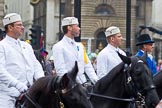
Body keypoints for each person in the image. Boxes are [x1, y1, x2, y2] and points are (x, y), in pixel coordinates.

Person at [0, 13, 44, 108]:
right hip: (7, 95)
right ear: (10, 28)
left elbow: (36, 66)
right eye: (19, 25)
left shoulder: (26, 46)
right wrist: (18, 85)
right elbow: (1, 71)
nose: (22, 27)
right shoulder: (2, 46)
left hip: (29, 93)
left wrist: (41, 81)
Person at [52, 17, 98, 85]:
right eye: (77, 26)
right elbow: (61, 70)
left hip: (84, 84)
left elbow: (87, 65)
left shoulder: (80, 46)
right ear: (69, 28)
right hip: (70, 87)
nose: (79, 28)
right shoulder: (58, 47)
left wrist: (97, 82)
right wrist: (75, 83)